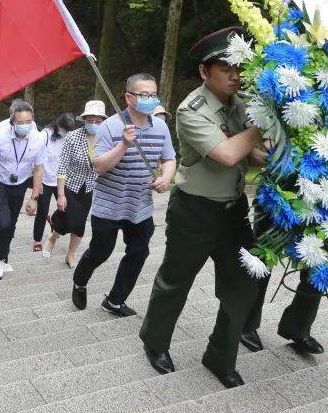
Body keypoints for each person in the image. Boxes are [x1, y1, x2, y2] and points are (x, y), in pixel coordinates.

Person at [140, 29, 268, 388]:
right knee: (175, 282)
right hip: (194, 211)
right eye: (225, 68)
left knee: (245, 282)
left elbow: (249, 154)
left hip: (233, 210)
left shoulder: (240, 104)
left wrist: (268, 154)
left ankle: (219, 356)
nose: (234, 75)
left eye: (238, 68)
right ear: (204, 72)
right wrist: (263, 124)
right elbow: (227, 153)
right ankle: (154, 341)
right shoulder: (190, 109)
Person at [72, 73, 176, 317]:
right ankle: (80, 280)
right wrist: (124, 145)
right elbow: (99, 166)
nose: (150, 99)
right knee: (101, 252)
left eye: (153, 94)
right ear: (129, 97)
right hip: (109, 205)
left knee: (139, 252)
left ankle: (115, 300)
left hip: (140, 205)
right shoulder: (111, 126)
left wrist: (165, 178)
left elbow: (169, 158)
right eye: (144, 95)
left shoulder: (160, 125)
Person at [0, 101, 46, 279]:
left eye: (28, 122)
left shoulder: (38, 139)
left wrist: (34, 197)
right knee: (4, 223)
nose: (24, 126)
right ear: (12, 121)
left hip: (20, 185)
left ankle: (4, 257)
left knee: (12, 223)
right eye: (20, 122)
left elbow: (39, 169)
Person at [47, 101, 106, 267]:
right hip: (71, 184)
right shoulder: (73, 137)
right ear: (84, 120)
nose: (93, 124)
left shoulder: (106, 138)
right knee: (68, 218)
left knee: (79, 223)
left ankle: (71, 254)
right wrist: (60, 195)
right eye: (90, 120)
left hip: (90, 186)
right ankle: (53, 236)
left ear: (103, 121)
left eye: (97, 121)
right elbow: (63, 166)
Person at [33, 113, 76, 253]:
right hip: (45, 179)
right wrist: (37, 183)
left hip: (61, 179)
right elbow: (35, 156)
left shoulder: (69, 137)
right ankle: (37, 240)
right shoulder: (45, 135)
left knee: (66, 209)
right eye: (64, 129)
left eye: (68, 130)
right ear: (58, 125)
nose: (66, 132)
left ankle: (54, 221)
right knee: (42, 211)